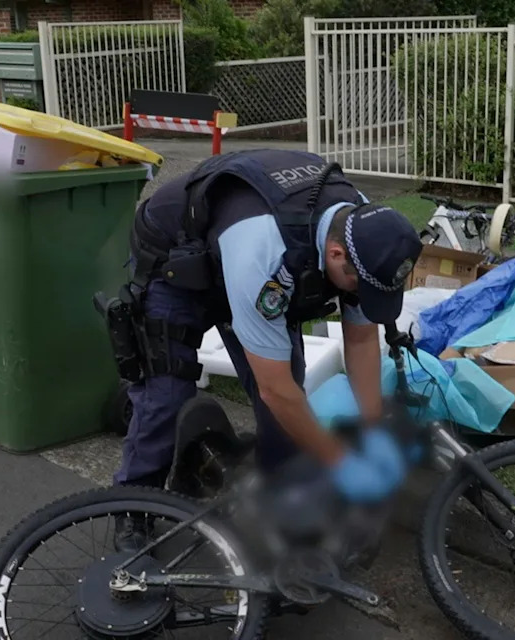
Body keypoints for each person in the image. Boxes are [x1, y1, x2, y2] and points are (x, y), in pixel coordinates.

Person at [110, 148, 425, 552]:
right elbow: (275, 390)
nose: (360, 296)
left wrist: (370, 432)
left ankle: (281, 499)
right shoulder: (265, 254)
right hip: (176, 259)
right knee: (165, 395)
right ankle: (133, 503)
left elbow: (362, 338)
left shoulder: (364, 235)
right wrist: (343, 465)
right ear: (334, 256)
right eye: (357, 287)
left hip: (239, 253)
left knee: (287, 411)